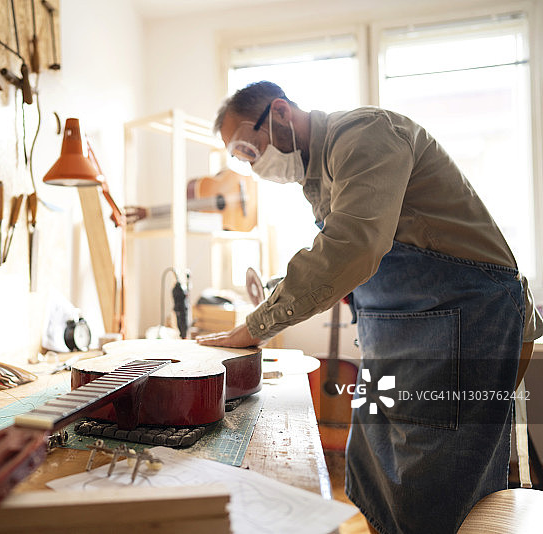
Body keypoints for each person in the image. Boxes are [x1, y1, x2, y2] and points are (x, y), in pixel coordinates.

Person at [197, 81, 543, 534]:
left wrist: (255, 327)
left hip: (460, 319)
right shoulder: (316, 178)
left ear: (279, 112)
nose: (250, 163)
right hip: (398, 331)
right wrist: (283, 291)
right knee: (373, 465)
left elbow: (353, 249)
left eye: (248, 146)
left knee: (435, 488)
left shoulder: (363, 134)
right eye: (239, 157)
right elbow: (356, 254)